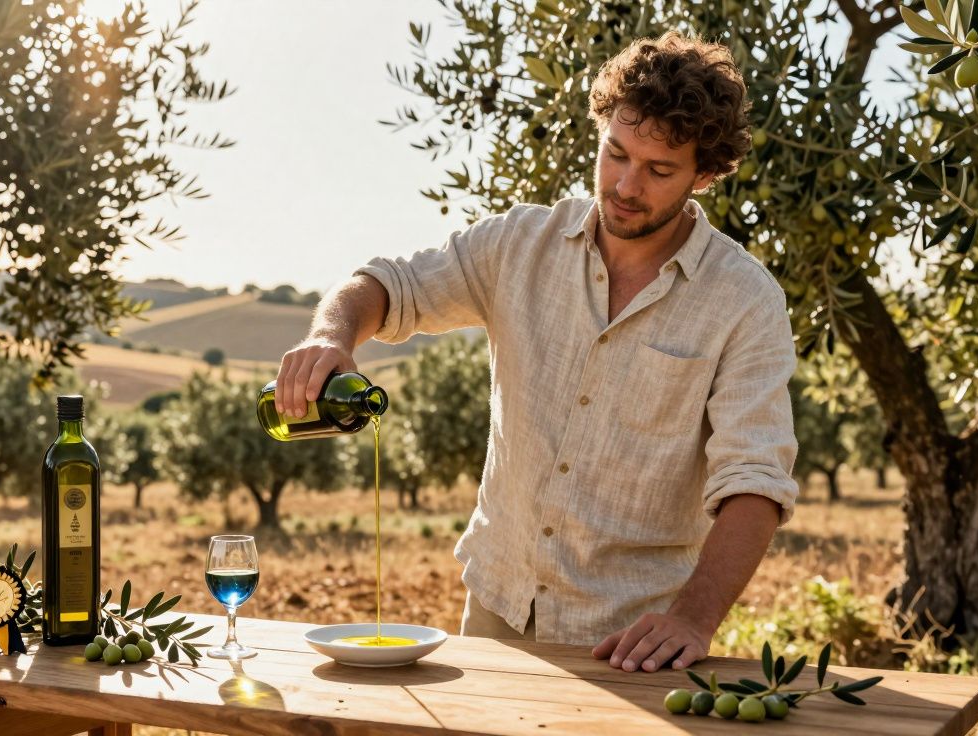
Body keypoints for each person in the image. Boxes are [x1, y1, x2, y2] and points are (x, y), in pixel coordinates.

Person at [271, 32, 797, 674]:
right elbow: (390, 283)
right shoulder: (520, 244)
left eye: (659, 170)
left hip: (633, 642)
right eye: (616, 154)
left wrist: (693, 617)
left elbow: (755, 479)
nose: (627, 185)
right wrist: (331, 333)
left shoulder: (745, 300)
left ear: (705, 176)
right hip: (494, 611)